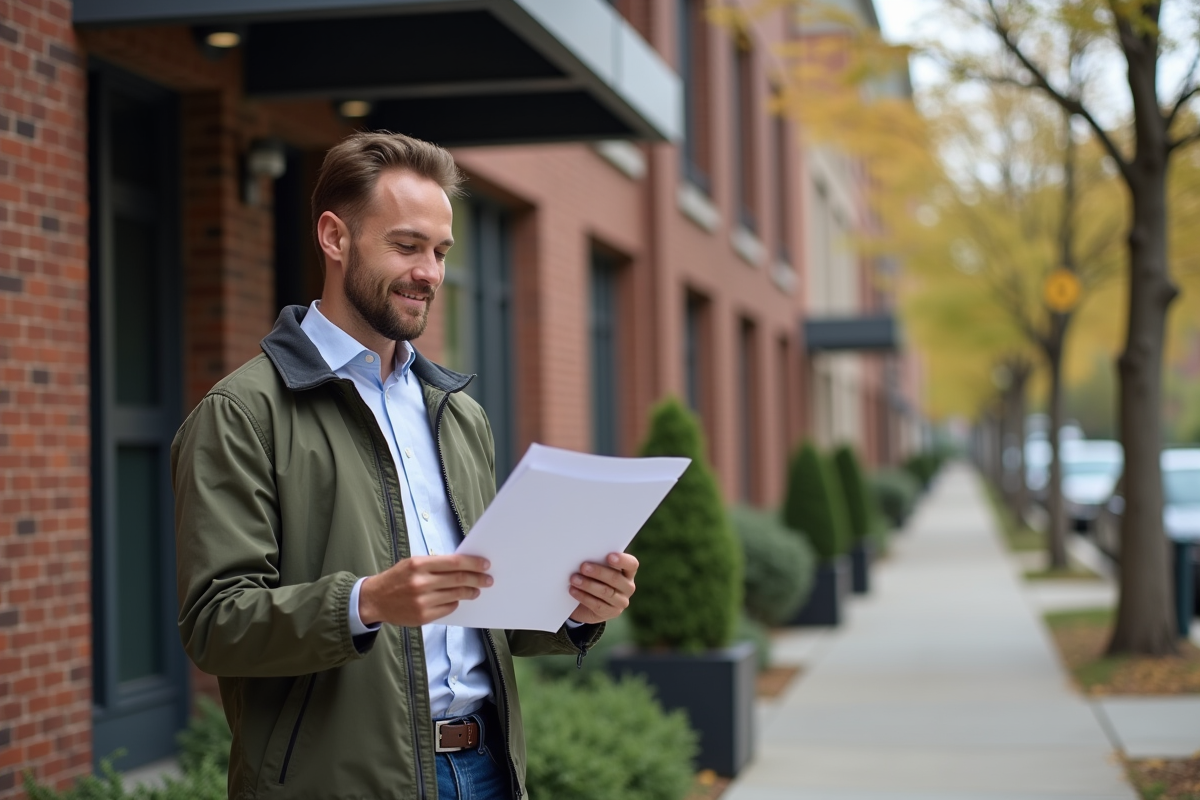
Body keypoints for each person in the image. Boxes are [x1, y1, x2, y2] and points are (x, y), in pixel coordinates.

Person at [172, 131, 639, 799]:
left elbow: (488, 603)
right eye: (407, 246)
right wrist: (365, 603)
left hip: (487, 771)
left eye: (442, 251)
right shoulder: (242, 413)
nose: (431, 273)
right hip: (339, 783)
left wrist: (575, 604)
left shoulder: (457, 413)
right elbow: (216, 624)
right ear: (335, 238)